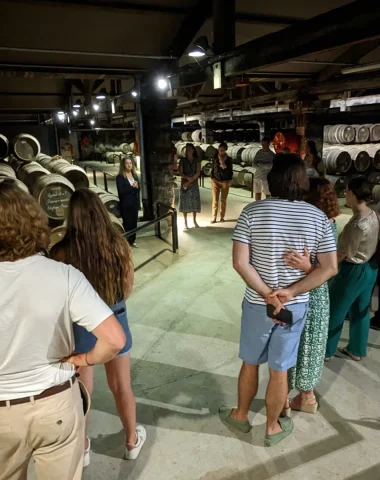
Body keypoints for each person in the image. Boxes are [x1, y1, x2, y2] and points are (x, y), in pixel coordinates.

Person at [0, 181, 125, 480]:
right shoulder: (62, 274)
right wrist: (85, 360)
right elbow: (114, 339)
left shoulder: (63, 260)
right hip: (53, 402)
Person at [220, 154, 337, 447]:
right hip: (294, 307)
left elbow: (240, 263)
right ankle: (272, 427)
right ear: (301, 181)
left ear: (272, 178)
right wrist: (291, 292)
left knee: (250, 363)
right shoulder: (318, 217)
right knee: (280, 368)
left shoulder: (251, 212)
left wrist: (266, 293)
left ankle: (241, 415)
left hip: (258, 304)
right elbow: (330, 267)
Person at [50, 189, 147, 466]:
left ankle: (81, 449)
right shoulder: (118, 244)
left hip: (79, 324)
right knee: (121, 386)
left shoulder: (61, 251)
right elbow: (127, 288)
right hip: (114, 318)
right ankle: (131, 441)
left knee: (83, 392)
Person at [283, 178, 340, 414]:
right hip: (313, 292)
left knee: (300, 343)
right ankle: (300, 397)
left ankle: (297, 398)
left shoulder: (322, 225)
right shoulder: (328, 222)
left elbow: (328, 269)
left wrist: (307, 267)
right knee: (306, 343)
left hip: (310, 291)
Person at [325, 177, 379, 362]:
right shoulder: (373, 214)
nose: (344, 194)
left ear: (354, 195)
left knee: (335, 310)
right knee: (360, 311)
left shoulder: (357, 224)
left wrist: (324, 271)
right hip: (370, 269)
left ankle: (325, 351)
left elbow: (342, 254)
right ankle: (356, 349)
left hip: (352, 271)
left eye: (347, 191)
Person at [116, 154, 140, 247]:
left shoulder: (135, 175)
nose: (129, 165)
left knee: (134, 223)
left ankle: (133, 240)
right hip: (125, 204)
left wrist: (137, 188)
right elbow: (121, 191)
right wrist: (132, 187)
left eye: (130, 163)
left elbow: (138, 189)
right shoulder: (120, 177)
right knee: (127, 223)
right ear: (123, 165)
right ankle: (126, 243)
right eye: (127, 163)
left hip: (134, 203)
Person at [179, 143, 201, 229]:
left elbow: (198, 172)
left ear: (192, 150)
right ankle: (185, 222)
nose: (187, 151)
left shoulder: (196, 160)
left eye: (189, 149)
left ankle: (194, 221)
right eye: (186, 149)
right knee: (185, 202)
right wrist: (187, 178)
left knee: (194, 202)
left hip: (194, 183)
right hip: (185, 182)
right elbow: (180, 172)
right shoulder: (182, 160)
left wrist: (192, 179)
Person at [211, 142, 233, 223]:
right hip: (215, 181)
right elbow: (213, 169)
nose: (221, 152)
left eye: (223, 150)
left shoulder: (229, 160)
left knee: (223, 200)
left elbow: (230, 171)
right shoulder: (215, 159)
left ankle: (222, 216)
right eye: (220, 150)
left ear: (226, 150)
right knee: (215, 200)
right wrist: (212, 178)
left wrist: (230, 180)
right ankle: (214, 217)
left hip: (225, 181)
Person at [252, 136, 275, 201]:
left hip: (267, 178)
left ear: (268, 144)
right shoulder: (258, 153)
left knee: (267, 193)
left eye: (264, 144)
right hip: (257, 176)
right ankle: (258, 206)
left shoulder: (272, 155)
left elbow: (272, 165)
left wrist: (262, 165)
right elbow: (254, 164)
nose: (263, 145)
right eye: (262, 144)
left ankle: (267, 207)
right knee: (257, 192)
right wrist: (261, 166)